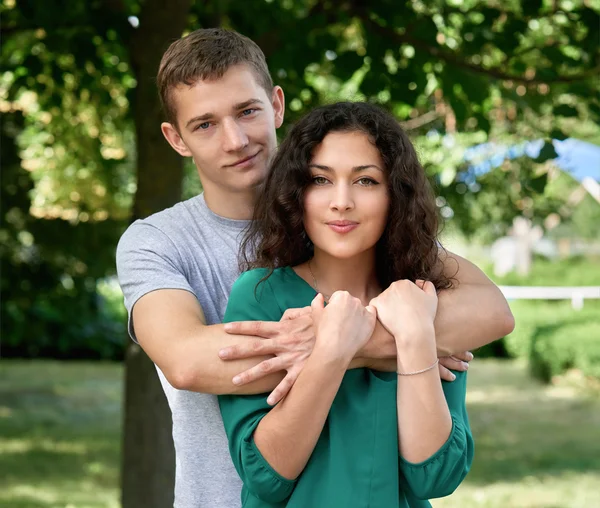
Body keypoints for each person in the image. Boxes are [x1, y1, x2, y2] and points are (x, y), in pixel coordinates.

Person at [116, 28, 513, 508]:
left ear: (276, 105)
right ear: (175, 138)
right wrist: (358, 343)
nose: (235, 139)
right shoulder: (157, 241)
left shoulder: (347, 222)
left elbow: (490, 309)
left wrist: (363, 337)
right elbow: (187, 360)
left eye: (247, 111)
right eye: (204, 124)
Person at [218, 101, 474, 507]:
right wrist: (332, 351)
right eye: (320, 180)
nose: (341, 201)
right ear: (297, 193)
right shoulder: (260, 294)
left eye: (366, 181)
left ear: (395, 195)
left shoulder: (422, 302)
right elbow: (264, 475)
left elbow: (436, 476)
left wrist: (414, 336)